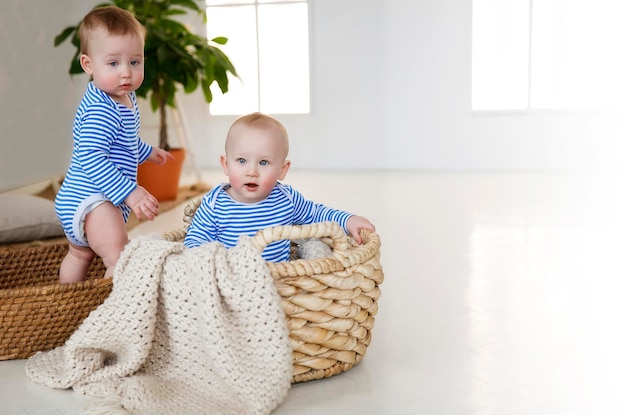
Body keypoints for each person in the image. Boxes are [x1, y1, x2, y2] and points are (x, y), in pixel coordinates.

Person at [55, 6, 173, 283]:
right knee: (119, 257)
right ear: (88, 65)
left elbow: (122, 142)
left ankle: (63, 299)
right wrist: (131, 193)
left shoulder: (124, 98)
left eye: (135, 62)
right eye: (113, 63)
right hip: (92, 200)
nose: (126, 73)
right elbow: (92, 157)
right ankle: (114, 312)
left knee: (80, 255)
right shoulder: (101, 110)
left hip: (85, 198)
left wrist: (148, 152)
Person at [184, 112, 375, 262]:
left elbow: (317, 214)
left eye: (264, 162)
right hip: (233, 281)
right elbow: (194, 242)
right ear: (226, 165)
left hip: (280, 284)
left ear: (282, 170)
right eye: (242, 160)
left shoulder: (286, 198)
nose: (252, 171)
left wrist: (348, 220)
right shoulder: (215, 204)